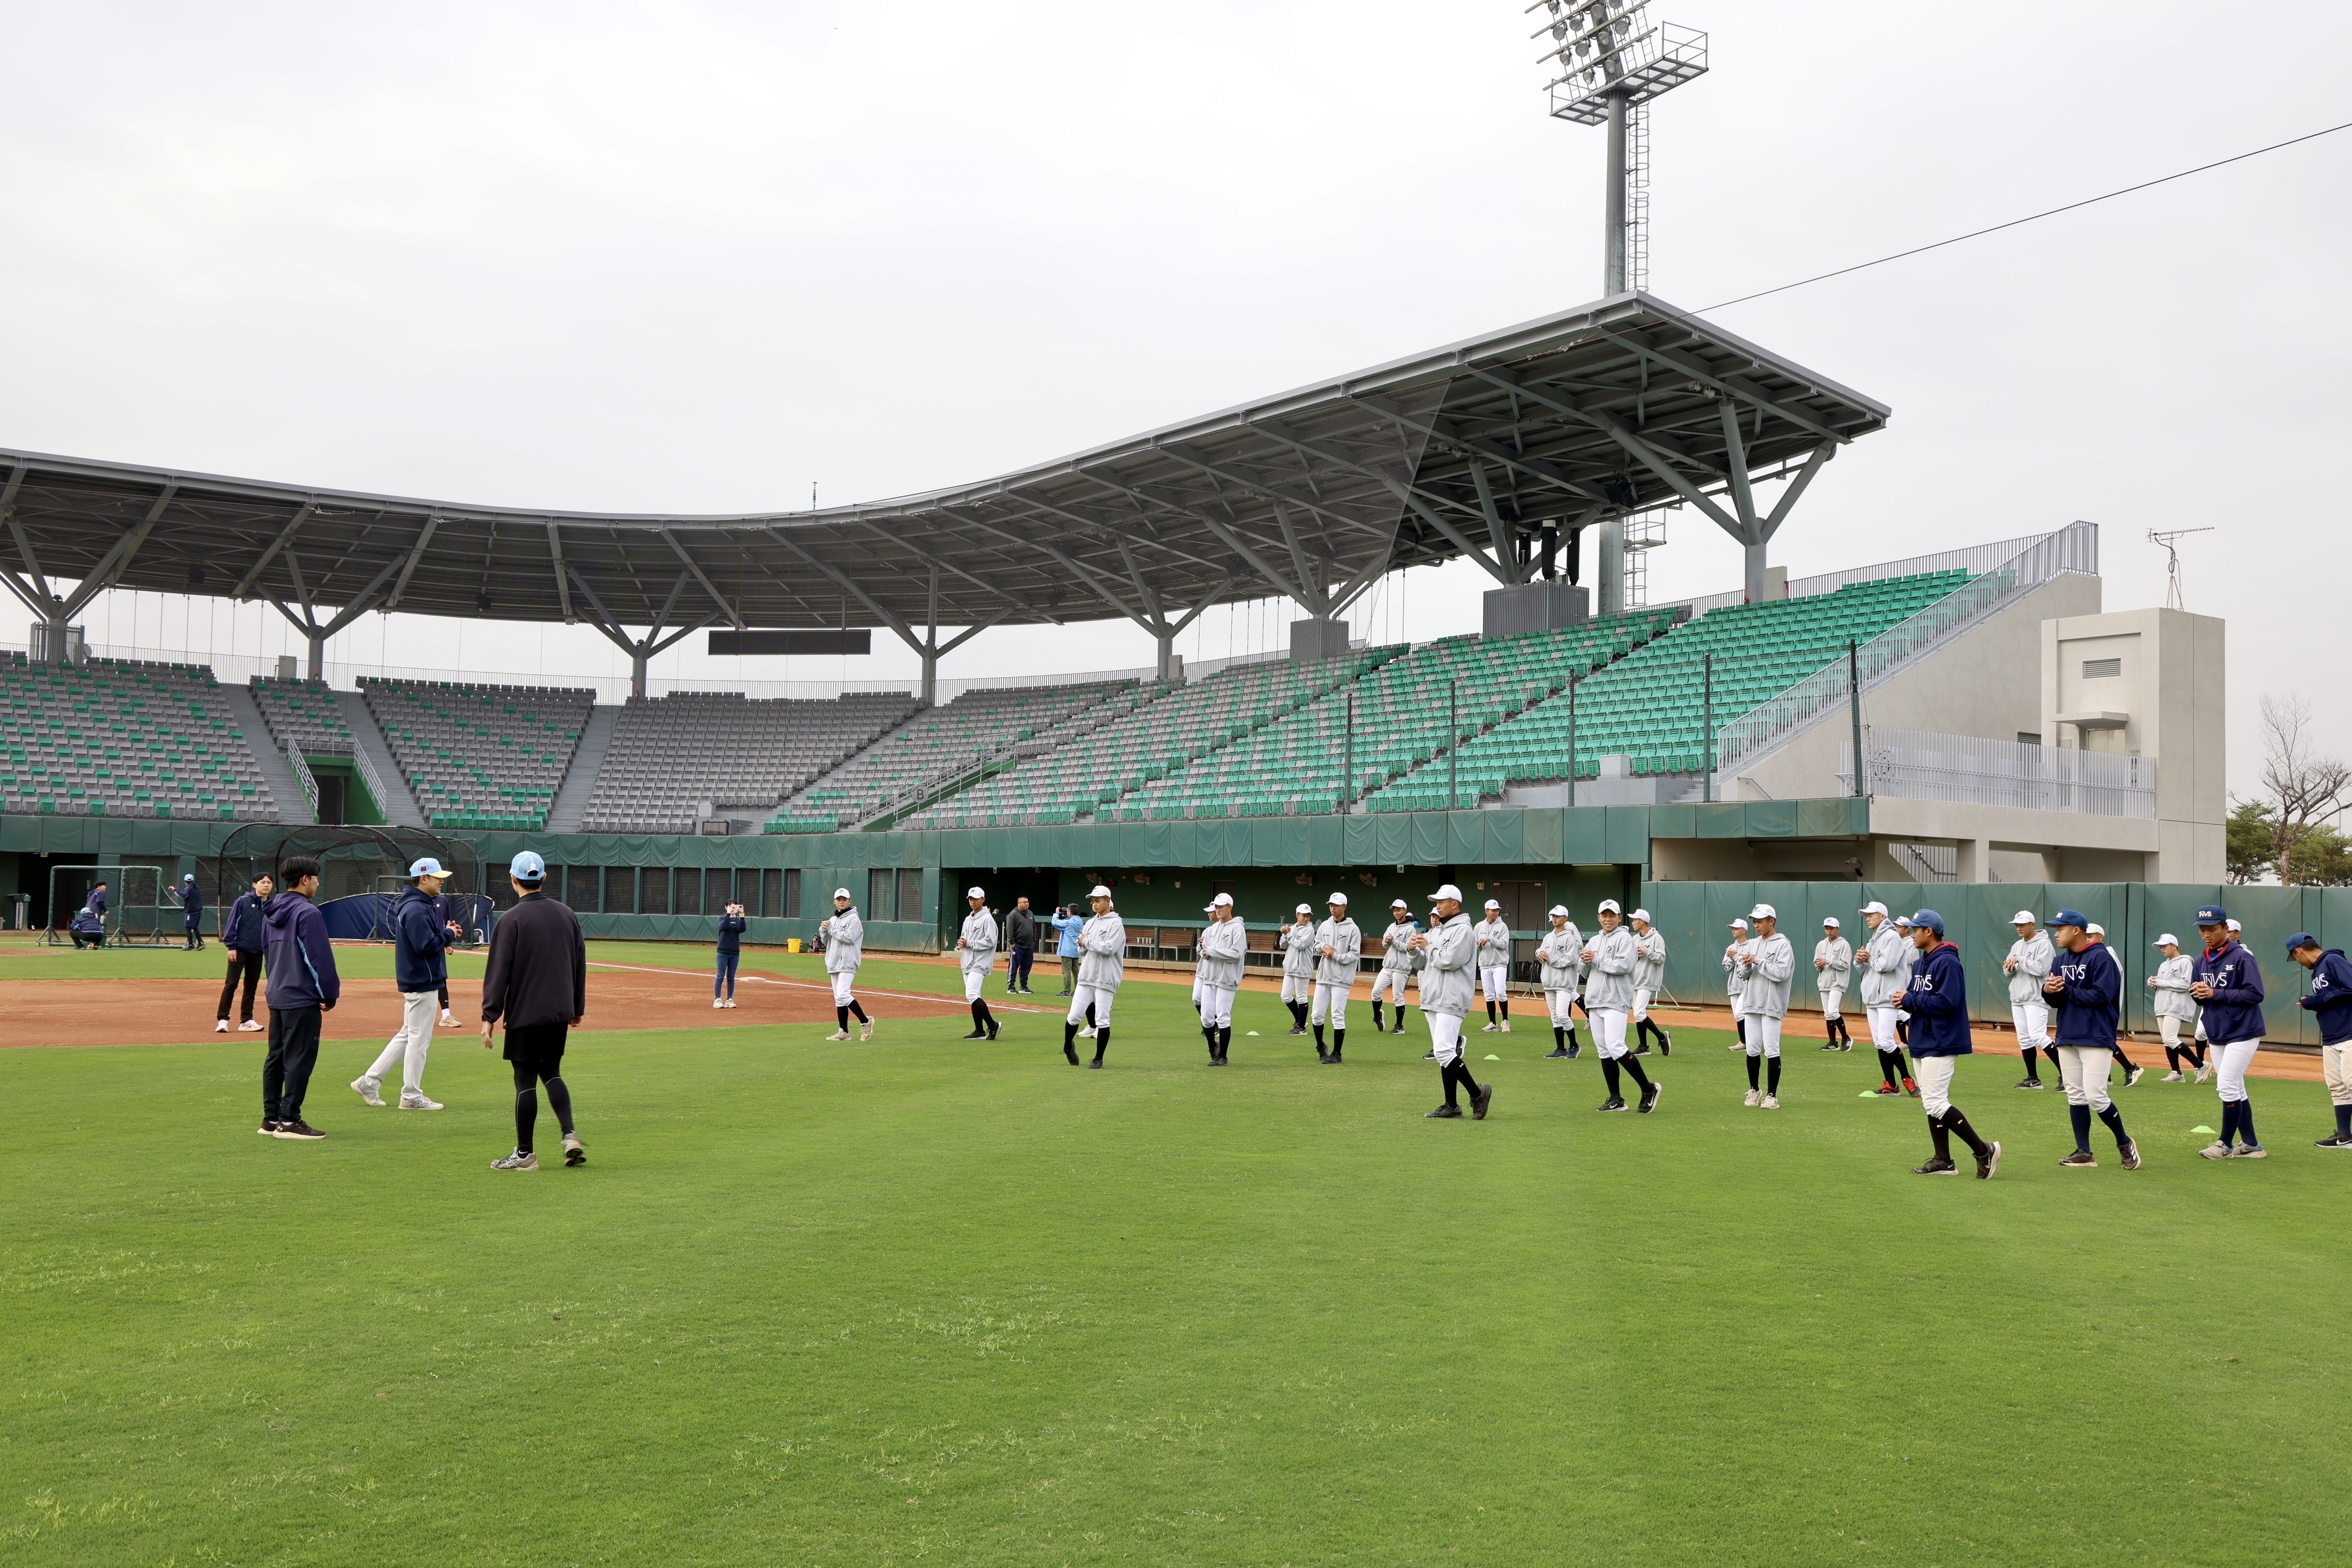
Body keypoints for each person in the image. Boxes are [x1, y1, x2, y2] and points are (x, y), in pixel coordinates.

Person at [480, 850, 587, 1171]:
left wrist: (489, 1016)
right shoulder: (567, 914)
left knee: (525, 1079)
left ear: (513, 879)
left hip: (525, 1013)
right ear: (543, 878)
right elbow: (578, 963)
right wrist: (576, 1006)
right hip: (558, 1012)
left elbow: (499, 972)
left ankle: (525, 1154)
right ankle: (569, 1134)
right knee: (551, 1072)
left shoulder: (510, 920)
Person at [1894, 908, 1999, 1178]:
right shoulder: (1920, 963)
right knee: (1931, 1102)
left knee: (1936, 1103)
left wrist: (1909, 1000)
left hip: (1942, 1039)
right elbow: (1920, 999)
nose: (1912, 933)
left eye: (1916, 929)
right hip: (1923, 1037)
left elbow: (1947, 1002)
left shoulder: (1948, 963)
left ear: (1929, 932)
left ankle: (1983, 1149)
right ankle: (1944, 1160)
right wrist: (1907, 1000)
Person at [351, 857, 461, 1112]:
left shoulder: (420, 905)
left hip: (418, 979)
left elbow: (426, 940)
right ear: (424, 878)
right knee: (419, 1040)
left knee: (407, 1035)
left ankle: (369, 1081)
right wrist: (448, 935)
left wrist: (444, 931)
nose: (441, 882)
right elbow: (425, 946)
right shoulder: (416, 908)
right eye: (437, 877)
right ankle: (411, 1095)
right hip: (421, 980)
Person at [2041, 910, 2140, 1169]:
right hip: (2067, 1032)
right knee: (2075, 1095)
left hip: (2096, 1034)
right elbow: (2053, 1000)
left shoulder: (2101, 957)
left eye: (2060, 928)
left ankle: (2124, 1142)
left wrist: (2067, 990)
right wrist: (2048, 991)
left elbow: (2100, 997)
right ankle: (2084, 1152)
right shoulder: (2060, 960)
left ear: (2077, 930)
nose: (2056, 933)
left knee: (2096, 1095)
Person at [259, 857, 338, 1140]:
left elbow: (268, 956)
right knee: (299, 1059)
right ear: (305, 879)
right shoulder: (308, 913)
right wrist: (329, 994)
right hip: (301, 997)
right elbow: (319, 960)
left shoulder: (270, 911)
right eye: (316, 878)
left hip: (277, 993)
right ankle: (290, 1120)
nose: (318, 883)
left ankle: (271, 1119)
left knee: (276, 1058)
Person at [2191, 905, 2268, 1159]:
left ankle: (2224, 1143)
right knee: (2236, 1088)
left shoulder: (2241, 956)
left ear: (2226, 929)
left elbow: (2256, 993)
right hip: (2218, 1031)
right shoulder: (2201, 959)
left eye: (2212, 929)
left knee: (2226, 1085)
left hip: (2244, 1029)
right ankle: (2252, 1145)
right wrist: (2199, 994)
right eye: (2203, 929)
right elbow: (2201, 997)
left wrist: (2216, 993)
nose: (2207, 934)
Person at [1410, 884, 1491, 1120]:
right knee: (1442, 1052)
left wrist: (1427, 946)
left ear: (1454, 904)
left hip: (1453, 997)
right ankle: (1452, 1105)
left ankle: (1478, 1094)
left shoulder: (1464, 931)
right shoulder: (1437, 931)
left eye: (1441, 902)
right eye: (1436, 901)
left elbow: (1450, 961)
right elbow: (1423, 964)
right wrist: (1413, 950)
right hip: (1433, 997)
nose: (1437, 905)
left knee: (1444, 1051)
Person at [1582, 898, 1660, 1113]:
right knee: (1604, 1051)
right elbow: (1585, 972)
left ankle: (1648, 1089)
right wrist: (1584, 960)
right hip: (1595, 1000)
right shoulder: (1594, 941)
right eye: (1604, 915)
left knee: (1615, 1045)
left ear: (1619, 917)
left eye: (1612, 915)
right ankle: (1616, 1099)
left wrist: (1596, 959)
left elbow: (1624, 966)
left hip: (1616, 1000)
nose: (1608, 919)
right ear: (1599, 917)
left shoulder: (1626, 939)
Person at [2288, 933, 2352, 1148]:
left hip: (2349, 1031)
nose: (2298, 962)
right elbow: (2332, 995)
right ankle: (2344, 1136)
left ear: (2299, 951)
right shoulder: (2317, 971)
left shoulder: (2333, 960)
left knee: (2351, 1083)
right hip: (2331, 1034)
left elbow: (2350, 987)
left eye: (2295, 958)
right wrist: (2312, 1002)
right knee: (2337, 1086)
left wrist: (2318, 1000)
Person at [1736, 904, 1795, 1108]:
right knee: (1752, 1049)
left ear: (1772, 921)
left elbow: (1781, 974)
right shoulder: (1752, 944)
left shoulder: (1783, 945)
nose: (1756, 925)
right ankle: (1754, 1090)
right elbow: (1743, 976)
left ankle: (1772, 1096)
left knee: (1771, 1049)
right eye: (1754, 921)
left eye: (1760, 921)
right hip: (1752, 1002)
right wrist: (1745, 965)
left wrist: (1758, 961)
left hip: (1772, 1003)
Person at [1857, 902, 1916, 1097]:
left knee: (1886, 1040)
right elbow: (1868, 969)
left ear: (1882, 916)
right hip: (1873, 996)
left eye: (1871, 915)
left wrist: (1869, 959)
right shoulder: (1874, 938)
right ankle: (1890, 1084)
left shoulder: (1891, 936)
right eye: (1866, 915)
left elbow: (1886, 965)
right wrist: (1859, 960)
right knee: (1879, 1043)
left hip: (1888, 996)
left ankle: (1907, 1078)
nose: (1867, 918)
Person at [1063, 885, 1125, 1068]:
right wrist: (1081, 944)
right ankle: (1068, 1047)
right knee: (1074, 1016)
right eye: (1092, 901)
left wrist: (1087, 942)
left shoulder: (1116, 924)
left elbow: (1109, 949)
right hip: (1087, 975)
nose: (1094, 904)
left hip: (1106, 978)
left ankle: (1098, 1058)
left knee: (1102, 1019)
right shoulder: (1089, 923)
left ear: (1108, 901)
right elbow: (1081, 950)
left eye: (1098, 900)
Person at [2084, 923, 2145, 1084]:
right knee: (2100, 1040)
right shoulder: (2093, 956)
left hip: (2107, 1006)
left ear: (2101, 937)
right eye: (2086, 936)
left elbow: (2111, 985)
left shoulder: (2108, 955)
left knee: (2105, 1040)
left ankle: (2131, 1068)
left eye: (2090, 936)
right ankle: (2109, 1075)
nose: (2087, 939)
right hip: (2098, 1005)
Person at [2002, 911, 2056, 1089]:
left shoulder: (2044, 945)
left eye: (2022, 925)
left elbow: (2042, 969)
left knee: (2038, 1036)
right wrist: (2010, 967)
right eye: (2017, 925)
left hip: (2036, 997)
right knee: (2024, 1039)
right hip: (2018, 997)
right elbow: (2009, 972)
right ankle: (2033, 1079)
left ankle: (2067, 1076)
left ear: (2032, 925)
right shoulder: (2017, 945)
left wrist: (2020, 960)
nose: (2019, 928)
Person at [215, 871, 273, 1033]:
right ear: (255, 885)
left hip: (258, 952)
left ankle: (246, 1020)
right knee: (231, 984)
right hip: (239, 950)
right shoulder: (243, 901)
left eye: (269, 882)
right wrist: (231, 946)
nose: (266, 885)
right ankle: (223, 1019)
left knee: (251, 986)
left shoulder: (273, 905)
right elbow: (232, 923)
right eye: (263, 882)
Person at [2149, 933, 2208, 1081]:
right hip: (2162, 1006)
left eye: (2164, 946)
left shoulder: (2185, 962)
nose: (2162, 949)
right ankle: (2177, 1073)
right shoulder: (2164, 965)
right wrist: (2154, 983)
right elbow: (2164, 985)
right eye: (2160, 947)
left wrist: (2160, 982)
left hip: (2176, 1006)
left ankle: (2200, 1065)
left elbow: (2186, 984)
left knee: (2170, 1038)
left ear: (2174, 946)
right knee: (2167, 1040)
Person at [818, 887, 873, 1043]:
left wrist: (831, 929)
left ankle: (866, 1021)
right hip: (834, 962)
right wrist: (824, 931)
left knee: (843, 994)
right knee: (838, 998)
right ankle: (844, 1031)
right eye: (839, 900)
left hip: (848, 962)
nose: (841, 902)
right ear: (834, 902)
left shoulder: (854, 919)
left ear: (850, 901)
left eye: (844, 899)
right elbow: (827, 941)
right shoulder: (833, 920)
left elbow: (849, 938)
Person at [1311, 893, 1361, 1064]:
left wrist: (1336, 956)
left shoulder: (1353, 929)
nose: (1333, 908)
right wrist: (1322, 946)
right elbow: (1316, 945)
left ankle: (1337, 1054)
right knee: (1317, 1015)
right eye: (1331, 905)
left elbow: (1355, 955)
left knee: (1337, 1015)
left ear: (1344, 907)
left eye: (1337, 905)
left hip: (1341, 979)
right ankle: (1320, 1047)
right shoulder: (1324, 925)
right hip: (1324, 976)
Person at [1197, 892, 1246, 1065]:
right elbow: (1205, 950)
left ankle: (1223, 1057)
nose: (1218, 910)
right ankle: (1213, 1049)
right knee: (1206, 1018)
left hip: (1227, 979)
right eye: (1216, 907)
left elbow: (1237, 954)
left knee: (1223, 1017)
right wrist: (1203, 951)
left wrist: (1211, 951)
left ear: (1230, 907)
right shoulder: (1212, 929)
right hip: (1209, 977)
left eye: (1221, 906)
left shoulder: (1237, 928)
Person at [1538, 905, 1584, 1060]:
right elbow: (1540, 951)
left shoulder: (1570, 937)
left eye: (1557, 916)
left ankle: (1574, 1046)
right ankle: (1560, 1048)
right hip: (1549, 982)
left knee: (1563, 1014)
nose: (1554, 918)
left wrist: (1551, 960)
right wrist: (1540, 953)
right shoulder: (1548, 937)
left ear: (1565, 918)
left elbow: (1571, 959)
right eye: (1552, 916)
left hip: (1564, 982)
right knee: (1554, 1016)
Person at [955, 887, 1001, 1041]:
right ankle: (979, 1030)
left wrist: (970, 943)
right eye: (970, 899)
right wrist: (962, 943)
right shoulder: (968, 919)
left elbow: (991, 941)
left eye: (975, 898)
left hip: (980, 962)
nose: (972, 901)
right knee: (974, 995)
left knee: (972, 994)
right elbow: (965, 939)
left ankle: (993, 1025)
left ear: (983, 899)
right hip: (968, 961)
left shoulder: (987, 918)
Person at [1370, 898, 1416, 1036]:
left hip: (1401, 968)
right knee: (1375, 992)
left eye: (1399, 910)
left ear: (1405, 911)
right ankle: (1377, 1016)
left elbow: (1408, 948)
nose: (1396, 913)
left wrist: (1394, 941)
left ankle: (1399, 1026)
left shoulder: (1410, 928)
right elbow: (1385, 945)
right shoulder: (1391, 926)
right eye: (1395, 910)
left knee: (1397, 997)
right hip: (1388, 966)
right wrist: (1387, 941)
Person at [1631, 908, 1671, 1056]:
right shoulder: (1635, 939)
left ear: (1642, 921)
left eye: (1635, 920)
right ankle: (1644, 1046)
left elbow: (1661, 958)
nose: (1633, 922)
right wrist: (1637, 954)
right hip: (1636, 980)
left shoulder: (1656, 938)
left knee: (1639, 1013)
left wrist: (1647, 952)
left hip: (1648, 980)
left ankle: (1662, 1037)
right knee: (1638, 1013)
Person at [1814, 916, 1852, 1050]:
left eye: (1832, 928)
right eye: (1827, 928)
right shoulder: (1821, 944)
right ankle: (1833, 1042)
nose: (1829, 931)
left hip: (1838, 982)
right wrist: (1819, 965)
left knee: (1833, 1010)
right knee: (1828, 1013)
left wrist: (1828, 961)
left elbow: (1845, 965)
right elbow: (1817, 962)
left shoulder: (1844, 945)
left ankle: (1846, 1038)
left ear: (1838, 929)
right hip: (1824, 981)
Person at [1475, 898, 1513, 1032]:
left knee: (1501, 992)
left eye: (1497, 910)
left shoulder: (1503, 926)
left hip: (1499, 964)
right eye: (1493, 910)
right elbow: (1474, 943)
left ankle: (1505, 1021)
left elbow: (1504, 944)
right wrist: (1479, 943)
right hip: (1485, 964)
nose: (1496, 913)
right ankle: (1493, 1023)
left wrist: (1490, 939)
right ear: (1487, 911)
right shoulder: (1479, 926)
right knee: (1489, 995)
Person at [1279, 905, 1317, 1036]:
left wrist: (1288, 934)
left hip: (1302, 968)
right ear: (1297, 915)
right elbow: (1283, 945)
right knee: (1285, 996)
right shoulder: (1292, 928)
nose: (1306, 918)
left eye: (1308, 916)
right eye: (1304, 916)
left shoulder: (1310, 930)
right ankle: (1300, 1021)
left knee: (1301, 997)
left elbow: (1301, 945)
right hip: (1290, 968)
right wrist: (1285, 934)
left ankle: (1302, 1028)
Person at [431, 883, 461, 1026]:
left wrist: (449, 943)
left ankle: (446, 1016)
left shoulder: (442, 901)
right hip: (424, 947)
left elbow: (447, 923)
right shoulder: (418, 904)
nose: (441, 882)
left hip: (438, 945)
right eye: (437, 878)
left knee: (441, 979)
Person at [1721, 916, 1751, 1050]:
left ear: (1744, 930)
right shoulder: (1731, 947)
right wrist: (1732, 958)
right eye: (1732, 928)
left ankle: (1749, 1042)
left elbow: (1747, 966)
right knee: (1737, 1015)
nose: (1733, 930)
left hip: (1747, 986)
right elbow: (1727, 968)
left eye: (1736, 928)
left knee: (1741, 1013)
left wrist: (1735, 956)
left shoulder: (1751, 945)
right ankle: (1744, 1042)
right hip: (1734, 986)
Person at [714, 898, 747, 1009]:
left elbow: (742, 929)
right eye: (731, 906)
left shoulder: (738, 920)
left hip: (735, 953)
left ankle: (729, 999)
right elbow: (724, 926)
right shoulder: (721, 918)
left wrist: (742, 916)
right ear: (726, 907)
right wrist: (728, 914)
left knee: (731, 978)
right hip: (723, 952)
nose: (733, 908)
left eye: (735, 906)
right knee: (720, 977)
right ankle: (717, 999)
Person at [1005, 896, 1039, 995]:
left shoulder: (1030, 913)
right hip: (1017, 945)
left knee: (1026, 967)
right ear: (1019, 904)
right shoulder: (1013, 914)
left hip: (1029, 946)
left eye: (1027, 902)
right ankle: (1011, 986)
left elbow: (1034, 928)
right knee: (1014, 966)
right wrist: (1012, 943)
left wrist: (1034, 941)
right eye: (1024, 902)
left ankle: (1023, 986)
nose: (1026, 904)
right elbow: (1010, 929)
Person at [1053, 905, 1084, 994]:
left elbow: (1055, 922)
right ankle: (1078, 992)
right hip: (1076, 950)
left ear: (1070, 912)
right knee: (1076, 973)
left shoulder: (1068, 923)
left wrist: (1057, 913)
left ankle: (1067, 991)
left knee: (1066, 972)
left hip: (1067, 951)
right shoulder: (1080, 922)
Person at [69, 880, 107, 948]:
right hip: (94, 913)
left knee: (88, 927)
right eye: (104, 886)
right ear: (99, 887)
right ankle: (94, 944)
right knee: (97, 928)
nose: (105, 888)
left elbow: (72, 927)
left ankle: (90, 944)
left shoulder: (90, 893)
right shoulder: (100, 893)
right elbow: (100, 902)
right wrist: (106, 910)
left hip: (88, 911)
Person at [177, 873, 206, 950]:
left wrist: (175, 890)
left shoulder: (188, 888)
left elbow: (184, 895)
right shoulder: (196, 887)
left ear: (185, 881)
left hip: (191, 911)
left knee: (188, 927)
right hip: (198, 910)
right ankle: (200, 944)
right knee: (195, 927)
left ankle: (191, 946)